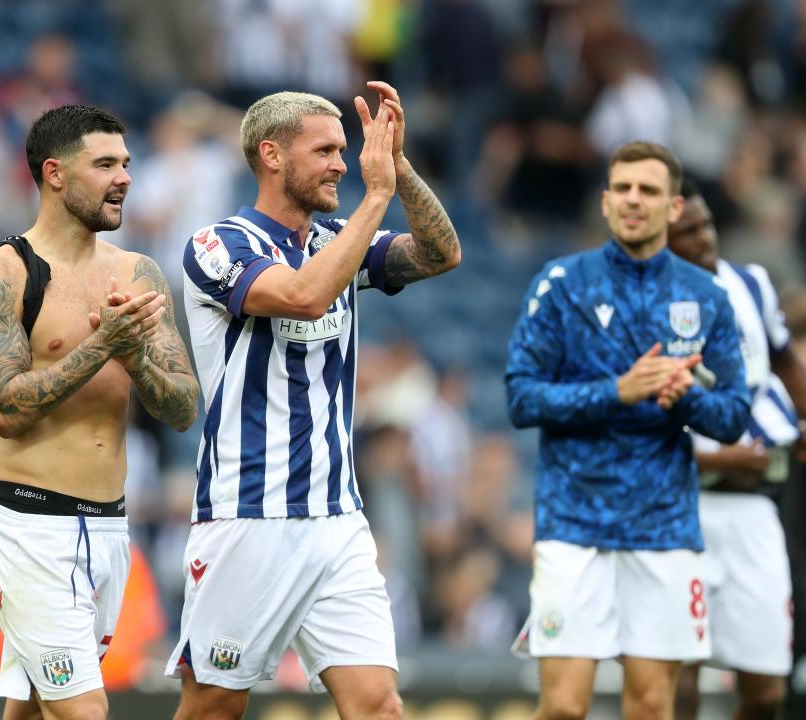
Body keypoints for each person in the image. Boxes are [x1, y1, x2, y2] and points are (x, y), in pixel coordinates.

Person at [164, 82, 461, 720]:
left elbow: (442, 254)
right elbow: (303, 297)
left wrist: (399, 169)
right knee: (215, 705)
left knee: (379, 706)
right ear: (271, 155)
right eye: (325, 150)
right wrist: (376, 195)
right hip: (249, 513)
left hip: (337, 518)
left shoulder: (336, 239)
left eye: (345, 150)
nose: (339, 164)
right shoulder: (217, 244)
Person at [0, 104, 199, 720]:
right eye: (105, 164)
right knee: (84, 711)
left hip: (112, 529)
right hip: (30, 528)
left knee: (38, 708)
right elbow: (4, 409)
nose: (124, 177)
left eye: (126, 163)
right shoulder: (2, 273)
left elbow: (182, 408)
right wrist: (101, 348)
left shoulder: (139, 273)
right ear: (55, 174)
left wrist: (137, 358)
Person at [505, 141, 750, 720]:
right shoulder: (562, 282)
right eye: (623, 188)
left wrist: (686, 399)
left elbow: (735, 416)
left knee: (650, 709)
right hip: (573, 523)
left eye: (648, 190)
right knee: (563, 709)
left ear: (673, 207)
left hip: (663, 527)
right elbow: (520, 397)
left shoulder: (706, 297)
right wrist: (618, 391)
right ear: (606, 200)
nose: (633, 200)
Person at [667, 179, 806, 720]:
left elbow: (784, 357)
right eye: (687, 232)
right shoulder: (643, 302)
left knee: (768, 685)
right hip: (681, 508)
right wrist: (720, 458)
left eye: (706, 226)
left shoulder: (752, 284)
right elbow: (628, 431)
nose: (705, 240)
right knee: (679, 675)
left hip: (755, 505)